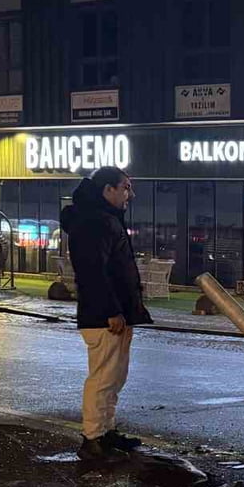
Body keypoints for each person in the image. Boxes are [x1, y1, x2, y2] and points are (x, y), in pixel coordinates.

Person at [59, 166, 153, 462]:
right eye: (125, 187)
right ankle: (93, 438)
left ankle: (105, 431)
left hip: (115, 315)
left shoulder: (102, 219)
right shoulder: (95, 222)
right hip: (104, 318)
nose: (131, 194)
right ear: (107, 190)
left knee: (113, 378)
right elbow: (92, 272)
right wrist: (111, 310)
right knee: (103, 379)